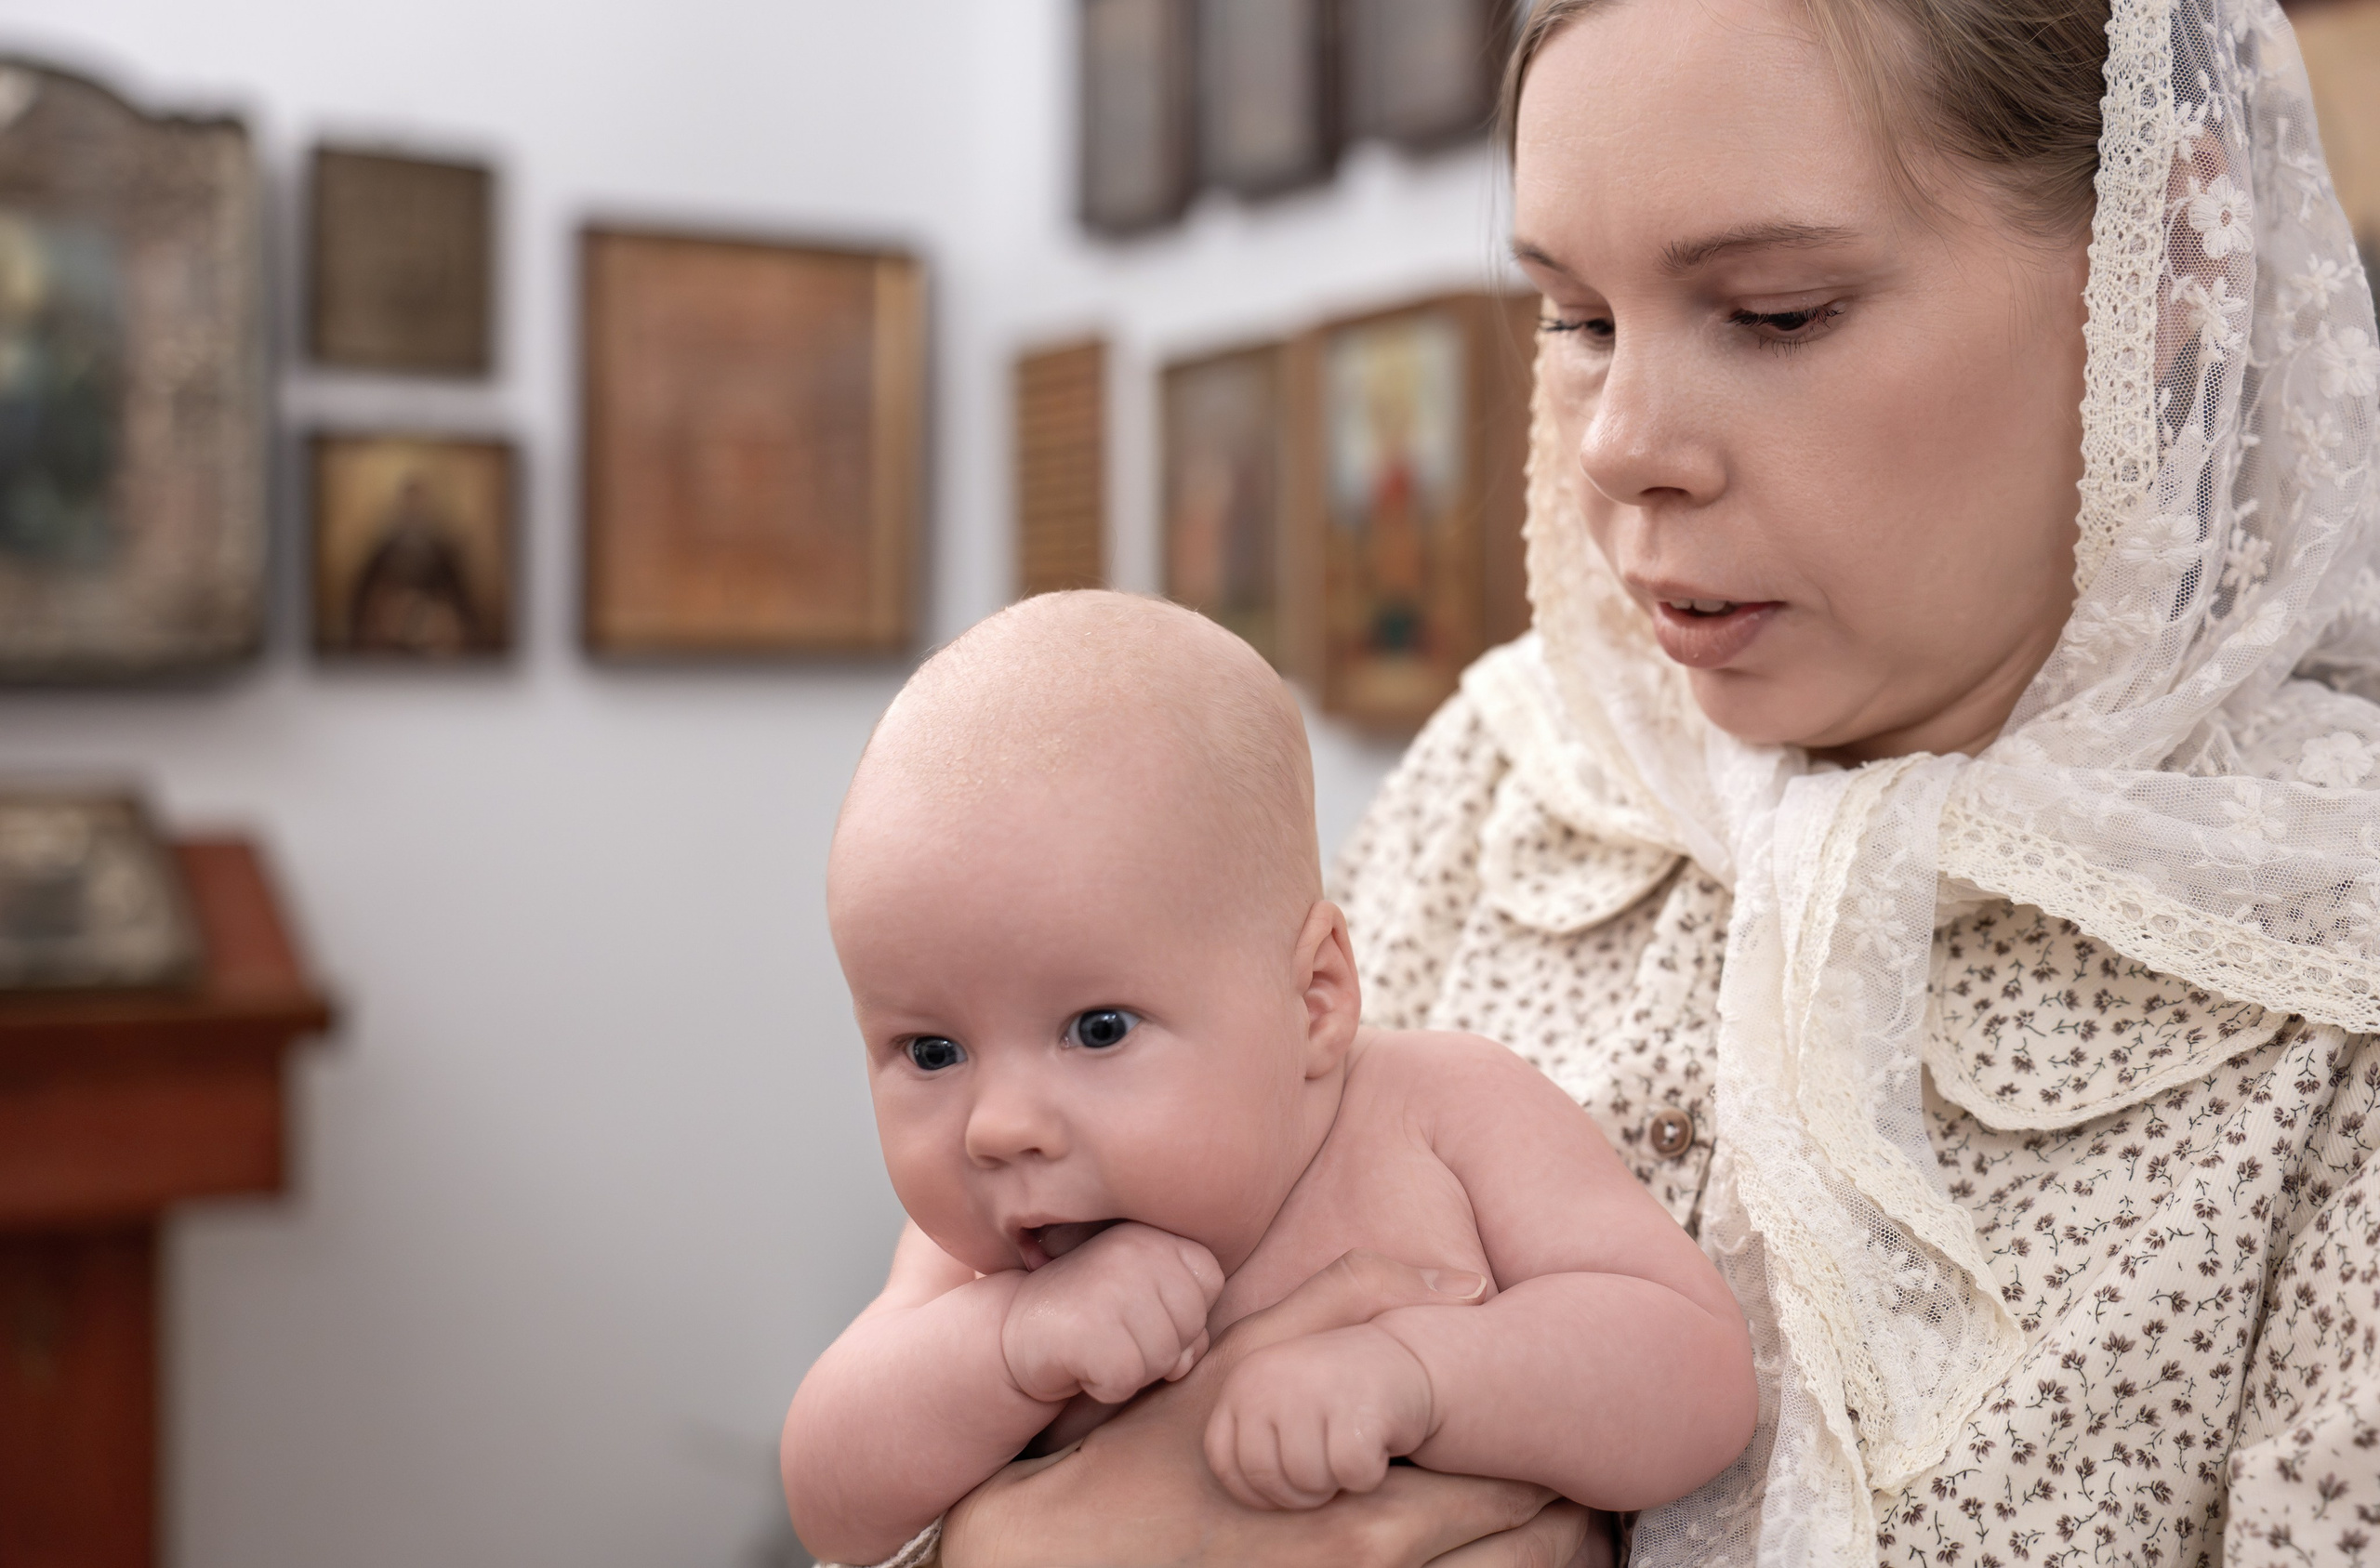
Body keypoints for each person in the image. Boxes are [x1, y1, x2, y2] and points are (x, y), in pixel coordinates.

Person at [846, 0, 2380, 1561]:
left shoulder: (2333, 966)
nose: (1622, 443)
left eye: (1778, 312)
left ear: (2170, 267)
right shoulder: (1506, 785)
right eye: (1578, 320)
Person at [783, 591, 1755, 1567]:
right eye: (931, 1051)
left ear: (1315, 1000)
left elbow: (1695, 1370)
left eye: (1098, 1028)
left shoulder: (1447, 1112)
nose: (996, 1128)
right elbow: (830, 1502)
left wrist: (1419, 1372)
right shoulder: (982, 1266)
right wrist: (1007, 1347)